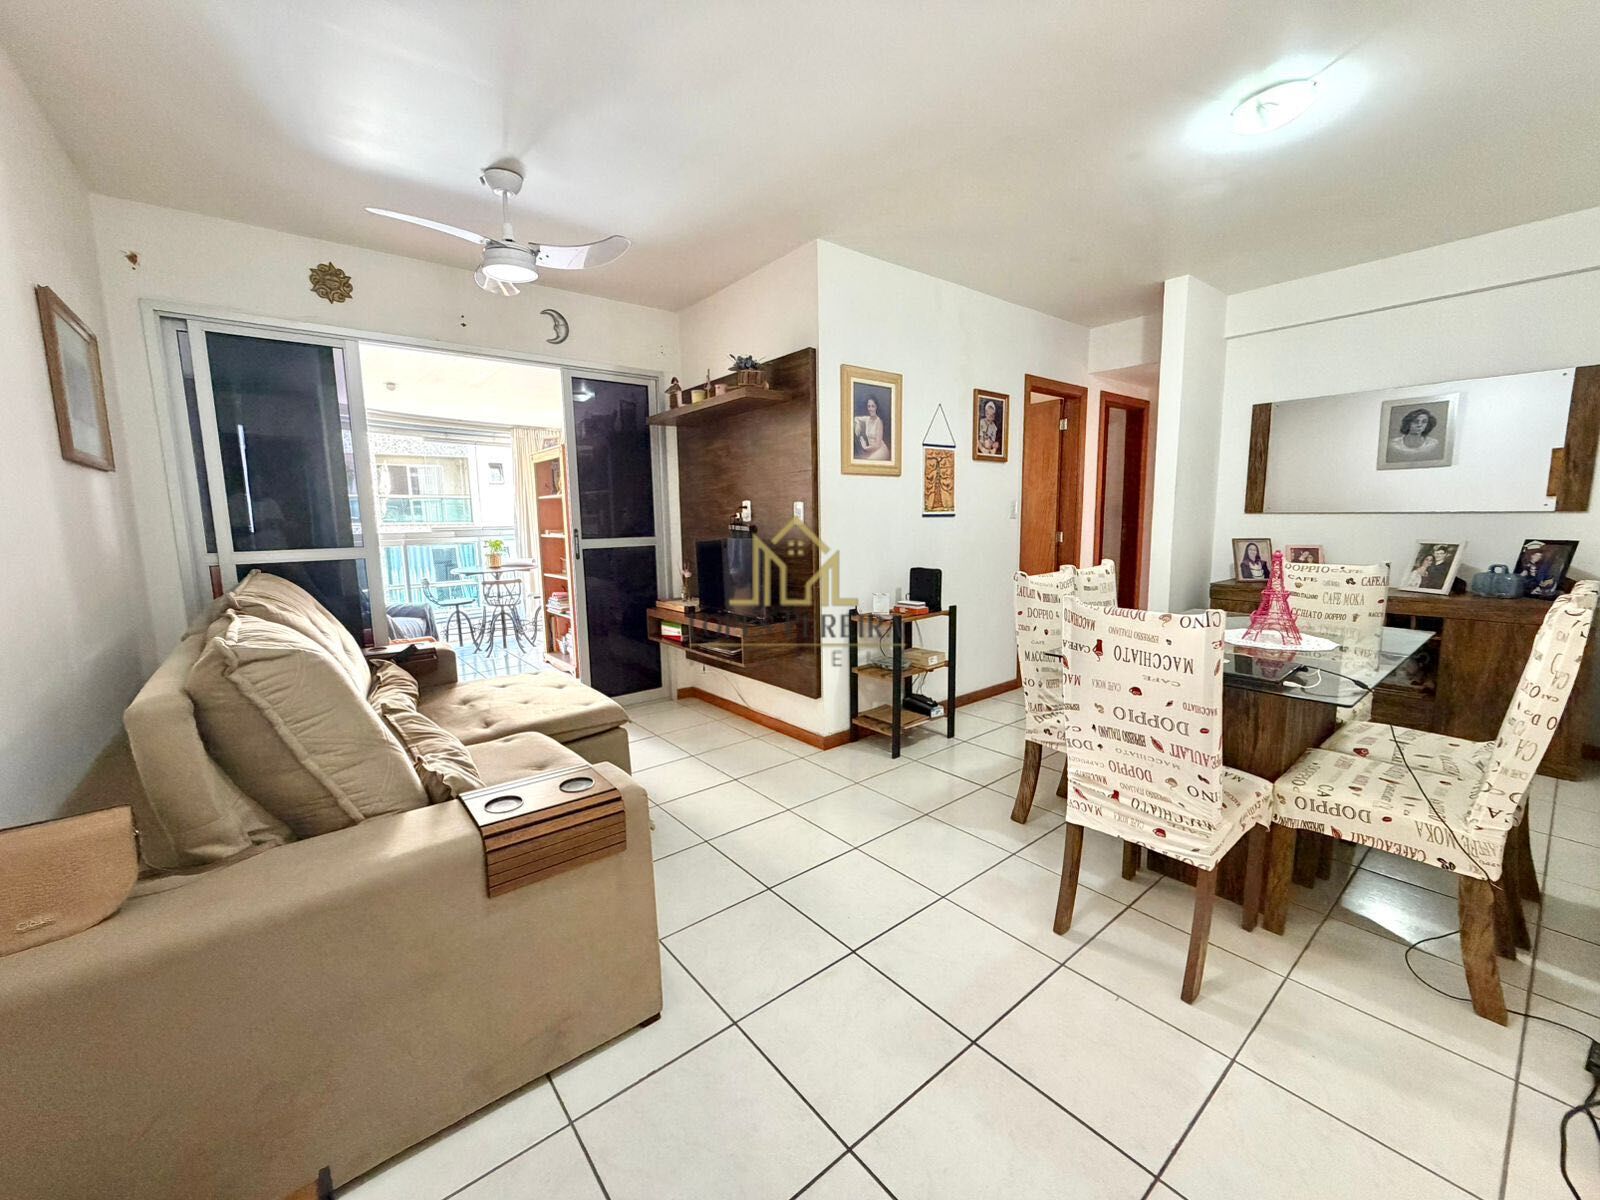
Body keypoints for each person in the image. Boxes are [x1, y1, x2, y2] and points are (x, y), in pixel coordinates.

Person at [853, 394, 892, 461]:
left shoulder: (878, 422)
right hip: (871, 449)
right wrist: (858, 424)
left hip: (880, 450)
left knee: (867, 462)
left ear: (876, 407)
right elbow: (855, 418)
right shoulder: (867, 419)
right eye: (869, 406)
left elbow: (877, 445)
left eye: (873, 406)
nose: (870, 409)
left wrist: (865, 448)